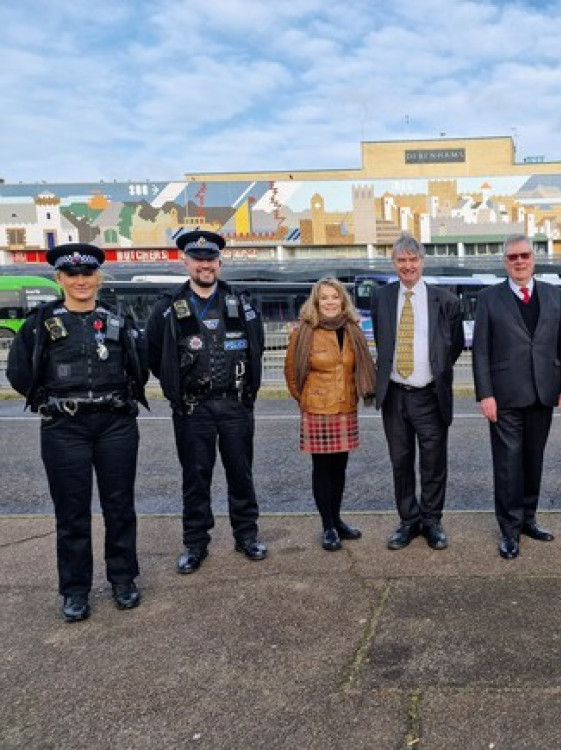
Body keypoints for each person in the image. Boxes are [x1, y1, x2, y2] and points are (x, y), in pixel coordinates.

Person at [6, 244, 149, 622]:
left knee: (119, 507)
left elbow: (141, 363)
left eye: (87, 274)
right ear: (60, 279)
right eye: (72, 275)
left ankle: (123, 580)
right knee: (72, 513)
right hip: (64, 427)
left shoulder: (118, 319)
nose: (81, 281)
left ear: (98, 278)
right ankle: (75, 590)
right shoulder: (40, 323)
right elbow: (18, 370)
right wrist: (45, 401)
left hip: (115, 424)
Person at [146, 230, 268, 574]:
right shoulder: (167, 306)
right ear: (185, 262)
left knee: (241, 475)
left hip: (234, 405)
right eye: (197, 259)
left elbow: (256, 346)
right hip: (191, 409)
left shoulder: (240, 303)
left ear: (219, 262)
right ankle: (195, 543)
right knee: (196, 477)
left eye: (210, 259)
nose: (205, 265)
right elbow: (155, 356)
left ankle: (246, 536)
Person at [472, 234, 561, 559]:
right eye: (513, 257)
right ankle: (509, 529)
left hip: (543, 393)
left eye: (525, 255)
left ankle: (529, 518)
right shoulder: (489, 298)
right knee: (507, 466)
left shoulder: (553, 294)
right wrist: (485, 394)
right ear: (505, 262)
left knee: (534, 461)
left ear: (533, 258)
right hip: (504, 396)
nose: (519, 261)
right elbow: (480, 351)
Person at [372, 234, 464, 551]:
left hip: (429, 393)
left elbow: (452, 347)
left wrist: (432, 371)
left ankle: (432, 521)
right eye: (401, 261)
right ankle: (408, 522)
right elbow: (384, 345)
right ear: (394, 264)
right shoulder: (381, 298)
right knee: (401, 461)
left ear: (422, 262)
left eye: (413, 260)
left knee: (433, 462)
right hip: (394, 395)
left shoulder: (446, 301)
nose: (407, 266)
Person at [284, 278, 376, 551]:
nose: (330, 302)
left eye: (335, 297)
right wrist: (308, 400)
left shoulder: (352, 331)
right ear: (316, 302)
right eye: (324, 298)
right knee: (322, 470)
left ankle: (337, 520)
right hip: (317, 409)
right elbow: (292, 373)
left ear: (343, 300)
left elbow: (360, 367)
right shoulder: (304, 332)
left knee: (340, 469)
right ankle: (327, 526)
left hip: (346, 407)